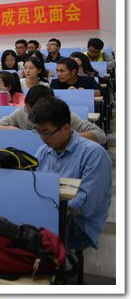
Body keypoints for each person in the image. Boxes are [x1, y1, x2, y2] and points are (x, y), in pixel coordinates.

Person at [29, 98, 112, 251]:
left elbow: (85, 205)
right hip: (49, 214)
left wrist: (46, 213)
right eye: (38, 131)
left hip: (78, 225)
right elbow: (34, 186)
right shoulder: (44, 152)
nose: (42, 138)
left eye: (46, 132)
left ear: (66, 128)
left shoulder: (94, 154)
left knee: (26, 240)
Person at [0, 85, 106, 144]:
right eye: (27, 109)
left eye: (32, 111)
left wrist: (66, 137)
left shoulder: (64, 115)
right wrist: (16, 131)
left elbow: (101, 135)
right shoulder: (22, 111)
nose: (29, 114)